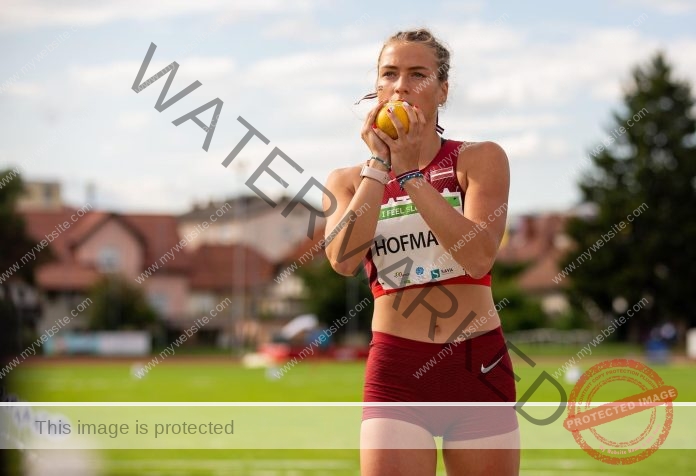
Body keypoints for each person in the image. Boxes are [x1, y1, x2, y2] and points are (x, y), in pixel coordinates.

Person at [322, 29, 519, 475]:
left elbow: (479, 256)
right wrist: (380, 165)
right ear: (376, 87)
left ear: (442, 90)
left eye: (418, 74)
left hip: (477, 366)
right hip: (396, 370)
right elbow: (344, 260)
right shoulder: (347, 180)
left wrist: (411, 174)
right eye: (389, 74)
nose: (400, 86)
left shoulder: (479, 158)